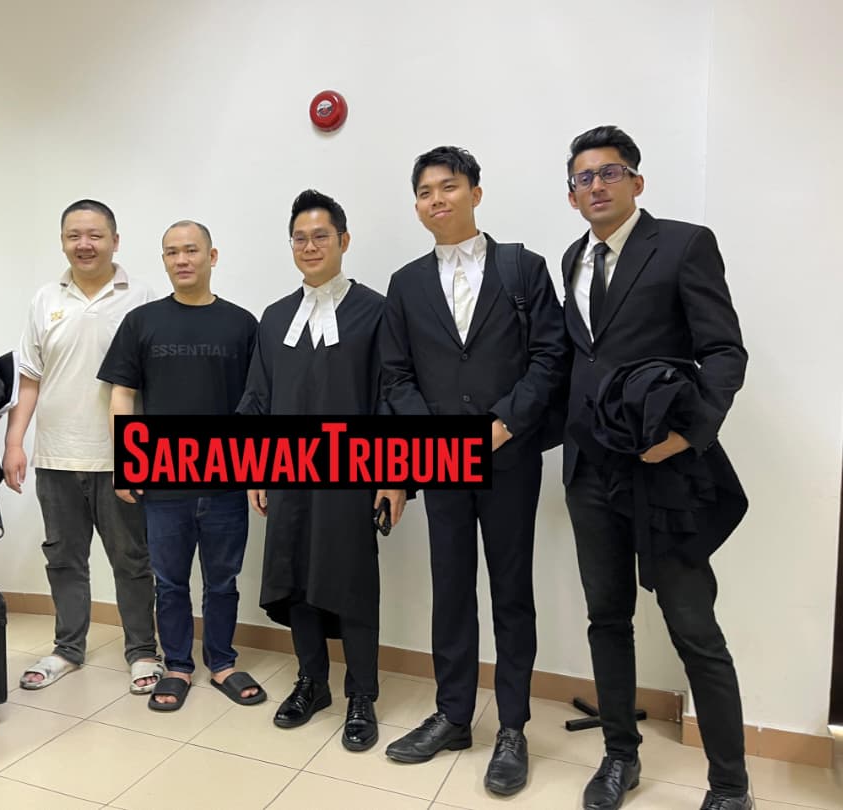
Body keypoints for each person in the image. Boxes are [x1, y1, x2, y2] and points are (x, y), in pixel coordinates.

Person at [560, 125, 751, 810]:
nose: (597, 185)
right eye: (584, 177)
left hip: (664, 471)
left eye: (611, 172)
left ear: (637, 182)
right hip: (590, 471)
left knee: (694, 627)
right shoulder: (573, 258)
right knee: (606, 618)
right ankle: (620, 756)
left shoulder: (683, 244)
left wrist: (690, 434)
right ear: (572, 194)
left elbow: (724, 350)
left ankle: (730, 787)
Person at [379, 146, 568, 796]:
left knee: (512, 591)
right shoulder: (405, 283)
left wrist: (504, 422)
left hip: (508, 454)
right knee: (451, 587)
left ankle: (512, 726)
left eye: (449, 186)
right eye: (425, 192)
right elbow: (396, 374)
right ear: (417, 206)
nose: (437, 200)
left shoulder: (522, 267)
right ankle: (453, 715)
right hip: (439, 460)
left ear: (475, 193)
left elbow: (549, 356)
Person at [237, 189, 406, 752]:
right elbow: (257, 397)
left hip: (352, 476)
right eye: (300, 239)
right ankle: (312, 681)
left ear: (343, 241)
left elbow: (391, 396)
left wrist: (394, 475)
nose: (310, 247)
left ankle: (362, 694)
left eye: (321, 237)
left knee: (351, 582)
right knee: (295, 577)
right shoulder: (274, 317)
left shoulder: (376, 311)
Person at [98, 220, 265, 712]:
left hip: (227, 481)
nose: (182, 260)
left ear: (212, 256)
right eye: (172, 252)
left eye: (191, 250)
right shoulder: (141, 322)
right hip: (163, 483)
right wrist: (127, 462)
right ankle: (177, 666)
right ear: (164, 260)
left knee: (223, 581)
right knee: (169, 582)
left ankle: (222, 662)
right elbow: (122, 395)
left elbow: (257, 403)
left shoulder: (242, 324)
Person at [3, 199, 161, 693]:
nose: (84, 244)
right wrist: (14, 442)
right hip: (56, 457)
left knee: (132, 561)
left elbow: (155, 383)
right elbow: (30, 379)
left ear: (115, 240)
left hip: (121, 457)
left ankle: (142, 651)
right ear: (63, 241)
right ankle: (67, 649)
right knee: (63, 560)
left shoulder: (143, 298)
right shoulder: (44, 298)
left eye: (95, 235)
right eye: (74, 236)